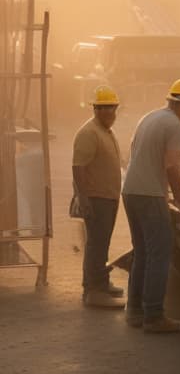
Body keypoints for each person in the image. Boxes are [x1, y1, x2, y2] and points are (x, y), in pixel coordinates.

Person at [122, 78, 180, 333]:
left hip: (130, 191)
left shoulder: (149, 117)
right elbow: (172, 166)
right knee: (160, 253)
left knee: (142, 251)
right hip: (149, 194)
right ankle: (154, 317)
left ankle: (134, 311)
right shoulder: (176, 127)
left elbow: (134, 153)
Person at [72, 85, 124, 308]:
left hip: (108, 197)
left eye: (112, 109)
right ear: (95, 110)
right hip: (96, 198)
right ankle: (93, 291)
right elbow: (78, 168)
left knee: (102, 244)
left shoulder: (105, 131)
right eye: (104, 109)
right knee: (96, 245)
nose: (109, 113)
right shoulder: (89, 133)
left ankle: (102, 283)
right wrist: (83, 199)